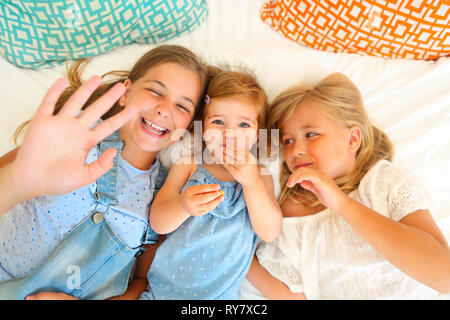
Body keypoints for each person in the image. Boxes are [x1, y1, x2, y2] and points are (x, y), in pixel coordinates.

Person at [0, 45, 209, 300]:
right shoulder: (76, 134)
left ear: (188, 126)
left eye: (182, 107)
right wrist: (23, 179)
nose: (164, 109)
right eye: (155, 91)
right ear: (125, 93)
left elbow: (142, 282)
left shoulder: (165, 196)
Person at [247, 72, 450, 299]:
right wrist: (238, 258)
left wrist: (342, 204)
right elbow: (294, 294)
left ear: (352, 139)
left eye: (311, 134)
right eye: (288, 141)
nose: (295, 150)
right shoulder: (291, 214)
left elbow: (444, 277)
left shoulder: (382, 184)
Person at [133, 68, 283, 300]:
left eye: (243, 126)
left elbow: (270, 232)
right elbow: (158, 222)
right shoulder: (189, 165)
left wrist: (251, 184)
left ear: (257, 133)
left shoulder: (259, 175)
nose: (230, 133)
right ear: (202, 128)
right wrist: (182, 205)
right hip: (164, 291)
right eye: (218, 122)